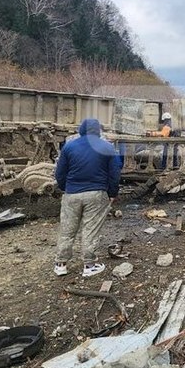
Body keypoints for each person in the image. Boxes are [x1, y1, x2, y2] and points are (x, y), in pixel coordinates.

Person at [54, 118, 121, 278]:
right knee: (90, 230)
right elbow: (115, 173)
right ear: (98, 131)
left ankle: (60, 264)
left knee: (67, 230)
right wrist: (112, 193)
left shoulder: (69, 146)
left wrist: (66, 188)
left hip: (72, 194)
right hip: (96, 194)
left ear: (81, 130)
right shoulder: (107, 147)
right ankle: (89, 265)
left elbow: (60, 173)